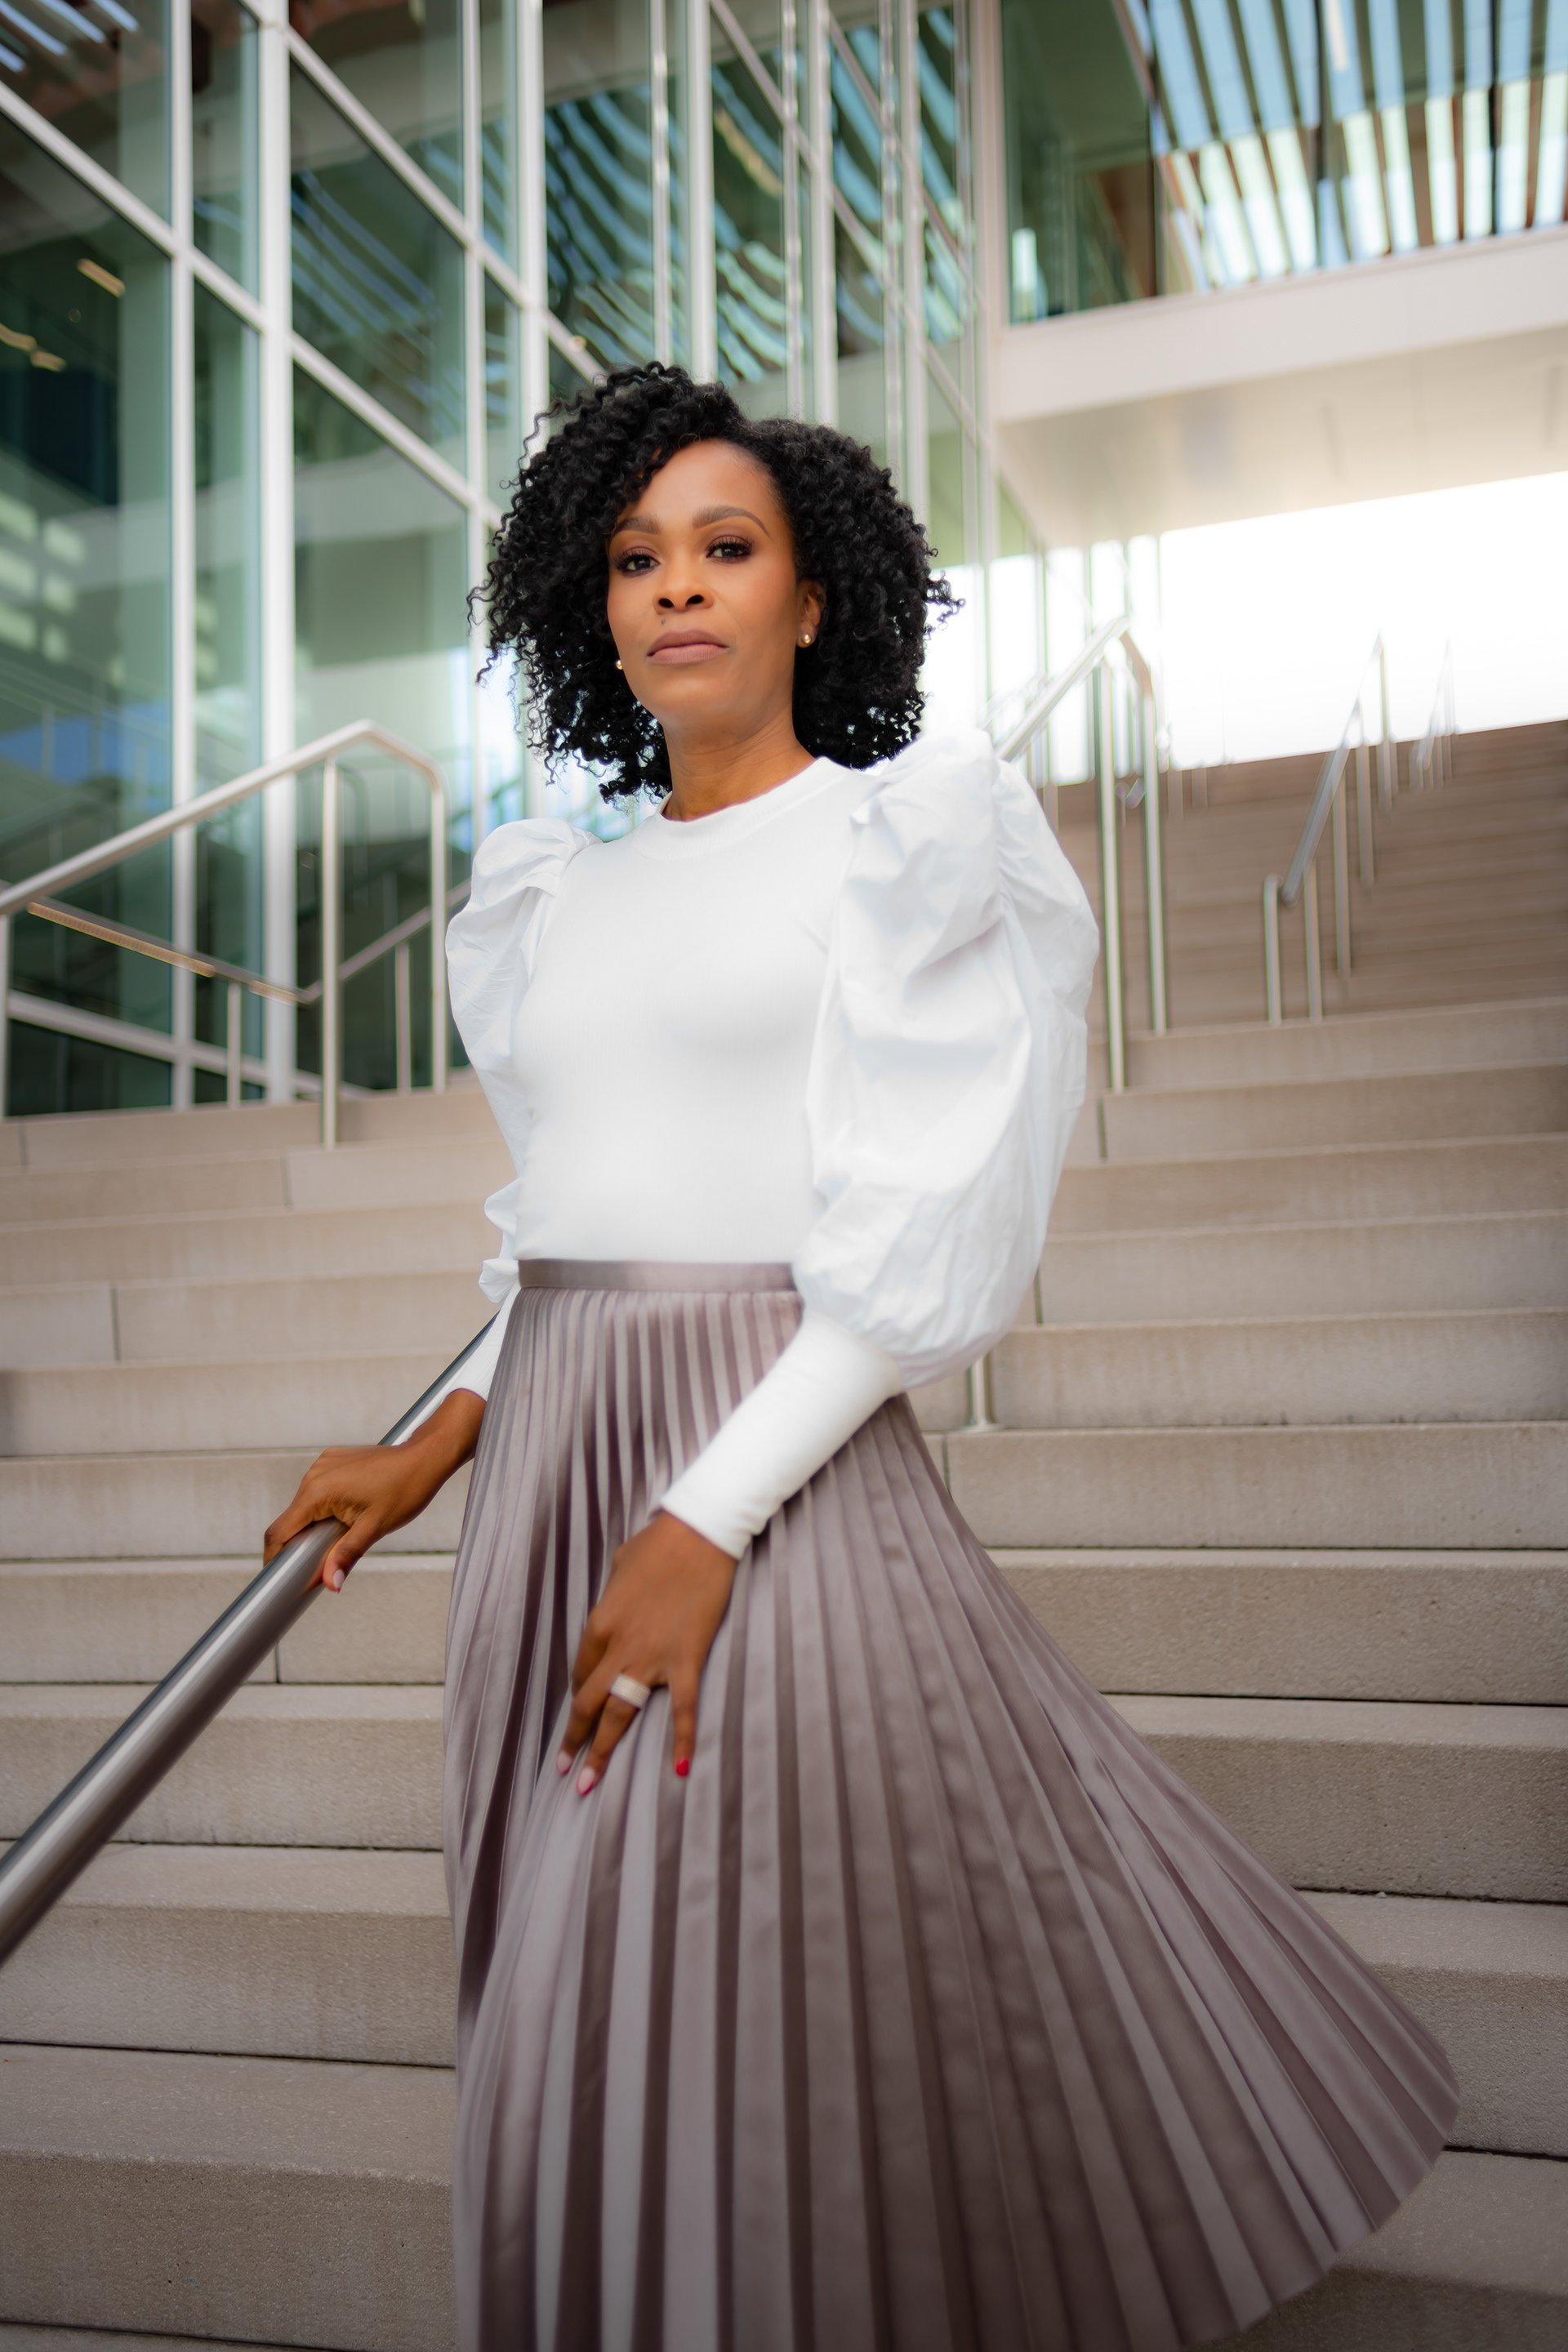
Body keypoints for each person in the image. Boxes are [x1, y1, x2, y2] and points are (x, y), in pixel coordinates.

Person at [265, 363, 1459, 2352]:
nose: (678, 592)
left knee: (708, 1984)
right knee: (570, 1988)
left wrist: (708, 1512)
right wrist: (447, 1438)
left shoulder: (911, 839)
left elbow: (926, 1240)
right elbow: (563, 1210)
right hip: (555, 1442)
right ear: (592, 606)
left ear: (819, 598)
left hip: (766, 1454)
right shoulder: (555, 879)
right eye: (635, 560)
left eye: (728, 550)